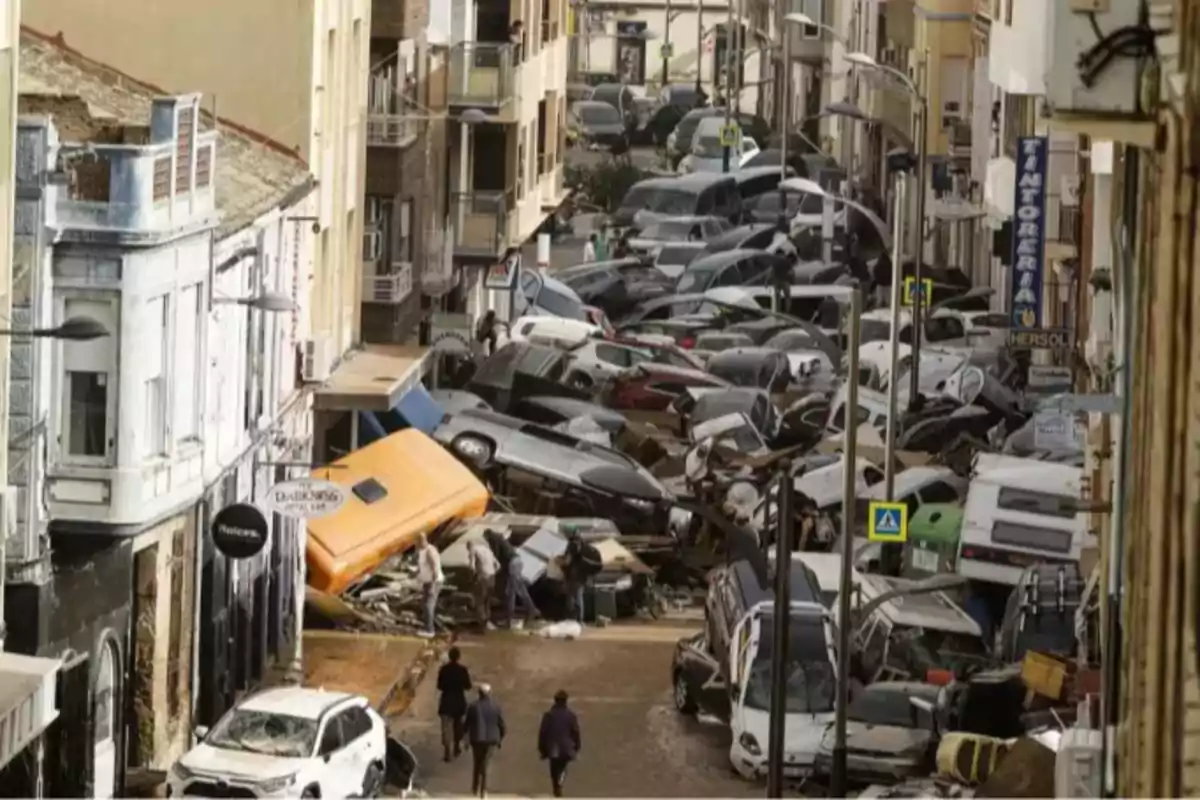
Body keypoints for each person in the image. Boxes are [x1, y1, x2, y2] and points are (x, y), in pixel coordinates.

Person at [484, 529, 540, 629]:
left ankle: (510, 619)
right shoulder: (500, 539)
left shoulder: (493, 541)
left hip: (512, 563)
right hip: (517, 561)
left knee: (511, 592)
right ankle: (531, 610)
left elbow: (498, 557)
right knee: (519, 590)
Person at [538, 690, 582, 798]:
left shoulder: (548, 715)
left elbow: (543, 733)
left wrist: (542, 749)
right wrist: (577, 747)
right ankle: (559, 783)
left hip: (552, 748)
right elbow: (575, 733)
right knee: (563, 766)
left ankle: (556, 787)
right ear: (566, 701)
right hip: (566, 747)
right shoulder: (571, 716)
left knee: (553, 768)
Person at [465, 683, 506, 798]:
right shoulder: (495, 707)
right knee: (485, 764)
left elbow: (467, 724)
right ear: (490, 693)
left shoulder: (473, 706)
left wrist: (465, 739)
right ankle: (483, 789)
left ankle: (475, 787)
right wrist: (500, 738)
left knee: (477, 762)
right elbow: (502, 725)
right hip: (491, 740)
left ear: (479, 693)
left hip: (477, 739)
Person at [436, 647, 472, 762]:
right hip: (459, 702)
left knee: (446, 728)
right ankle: (456, 747)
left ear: (449, 656)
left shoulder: (443, 669)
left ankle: (447, 750)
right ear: (458, 657)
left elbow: (439, 686)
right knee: (458, 726)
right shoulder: (463, 670)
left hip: (446, 701)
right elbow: (468, 686)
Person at [560, 527, 602, 623]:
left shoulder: (572, 545)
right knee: (579, 597)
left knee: (572, 598)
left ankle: (574, 619)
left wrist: (559, 562)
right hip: (582, 575)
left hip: (573, 575)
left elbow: (567, 561)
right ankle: (580, 620)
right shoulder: (582, 544)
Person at [416, 533, 443, 638]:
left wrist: (433, 582)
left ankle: (430, 630)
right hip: (427, 581)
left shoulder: (429, 550)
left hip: (433, 582)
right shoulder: (422, 551)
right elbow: (423, 567)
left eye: (417, 541)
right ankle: (427, 627)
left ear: (422, 540)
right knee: (425, 604)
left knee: (428, 605)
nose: (416, 544)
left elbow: (434, 566)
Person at [469, 539, 500, 630]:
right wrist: (492, 573)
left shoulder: (473, 549)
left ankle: (483, 622)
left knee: (479, 600)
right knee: (488, 600)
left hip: (483, 577)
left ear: (469, 546)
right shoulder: (488, 550)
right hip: (492, 576)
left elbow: (471, 567)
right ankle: (488, 621)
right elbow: (498, 565)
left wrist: (472, 578)